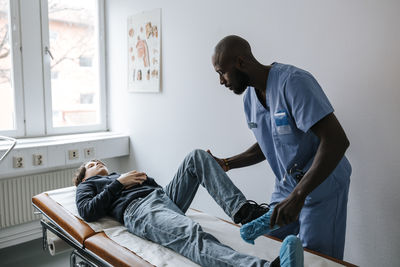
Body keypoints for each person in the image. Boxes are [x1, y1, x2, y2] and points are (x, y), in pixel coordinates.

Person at [210, 35, 351, 260]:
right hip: (287, 186)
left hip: (322, 183)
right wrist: (227, 163)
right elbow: (269, 143)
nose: (221, 81)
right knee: (271, 243)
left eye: (221, 72)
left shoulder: (293, 83)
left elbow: (336, 140)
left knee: (315, 258)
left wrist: (299, 195)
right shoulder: (250, 100)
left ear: (240, 62)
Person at [74, 149, 304, 267]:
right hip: (141, 211)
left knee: (197, 157)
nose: (97, 163)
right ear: (85, 178)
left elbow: (154, 189)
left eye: (98, 160)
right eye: (91, 165)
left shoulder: (118, 176)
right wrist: (119, 183)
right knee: (192, 235)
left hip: (161, 196)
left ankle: (245, 213)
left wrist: (140, 181)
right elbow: (87, 210)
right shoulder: (89, 186)